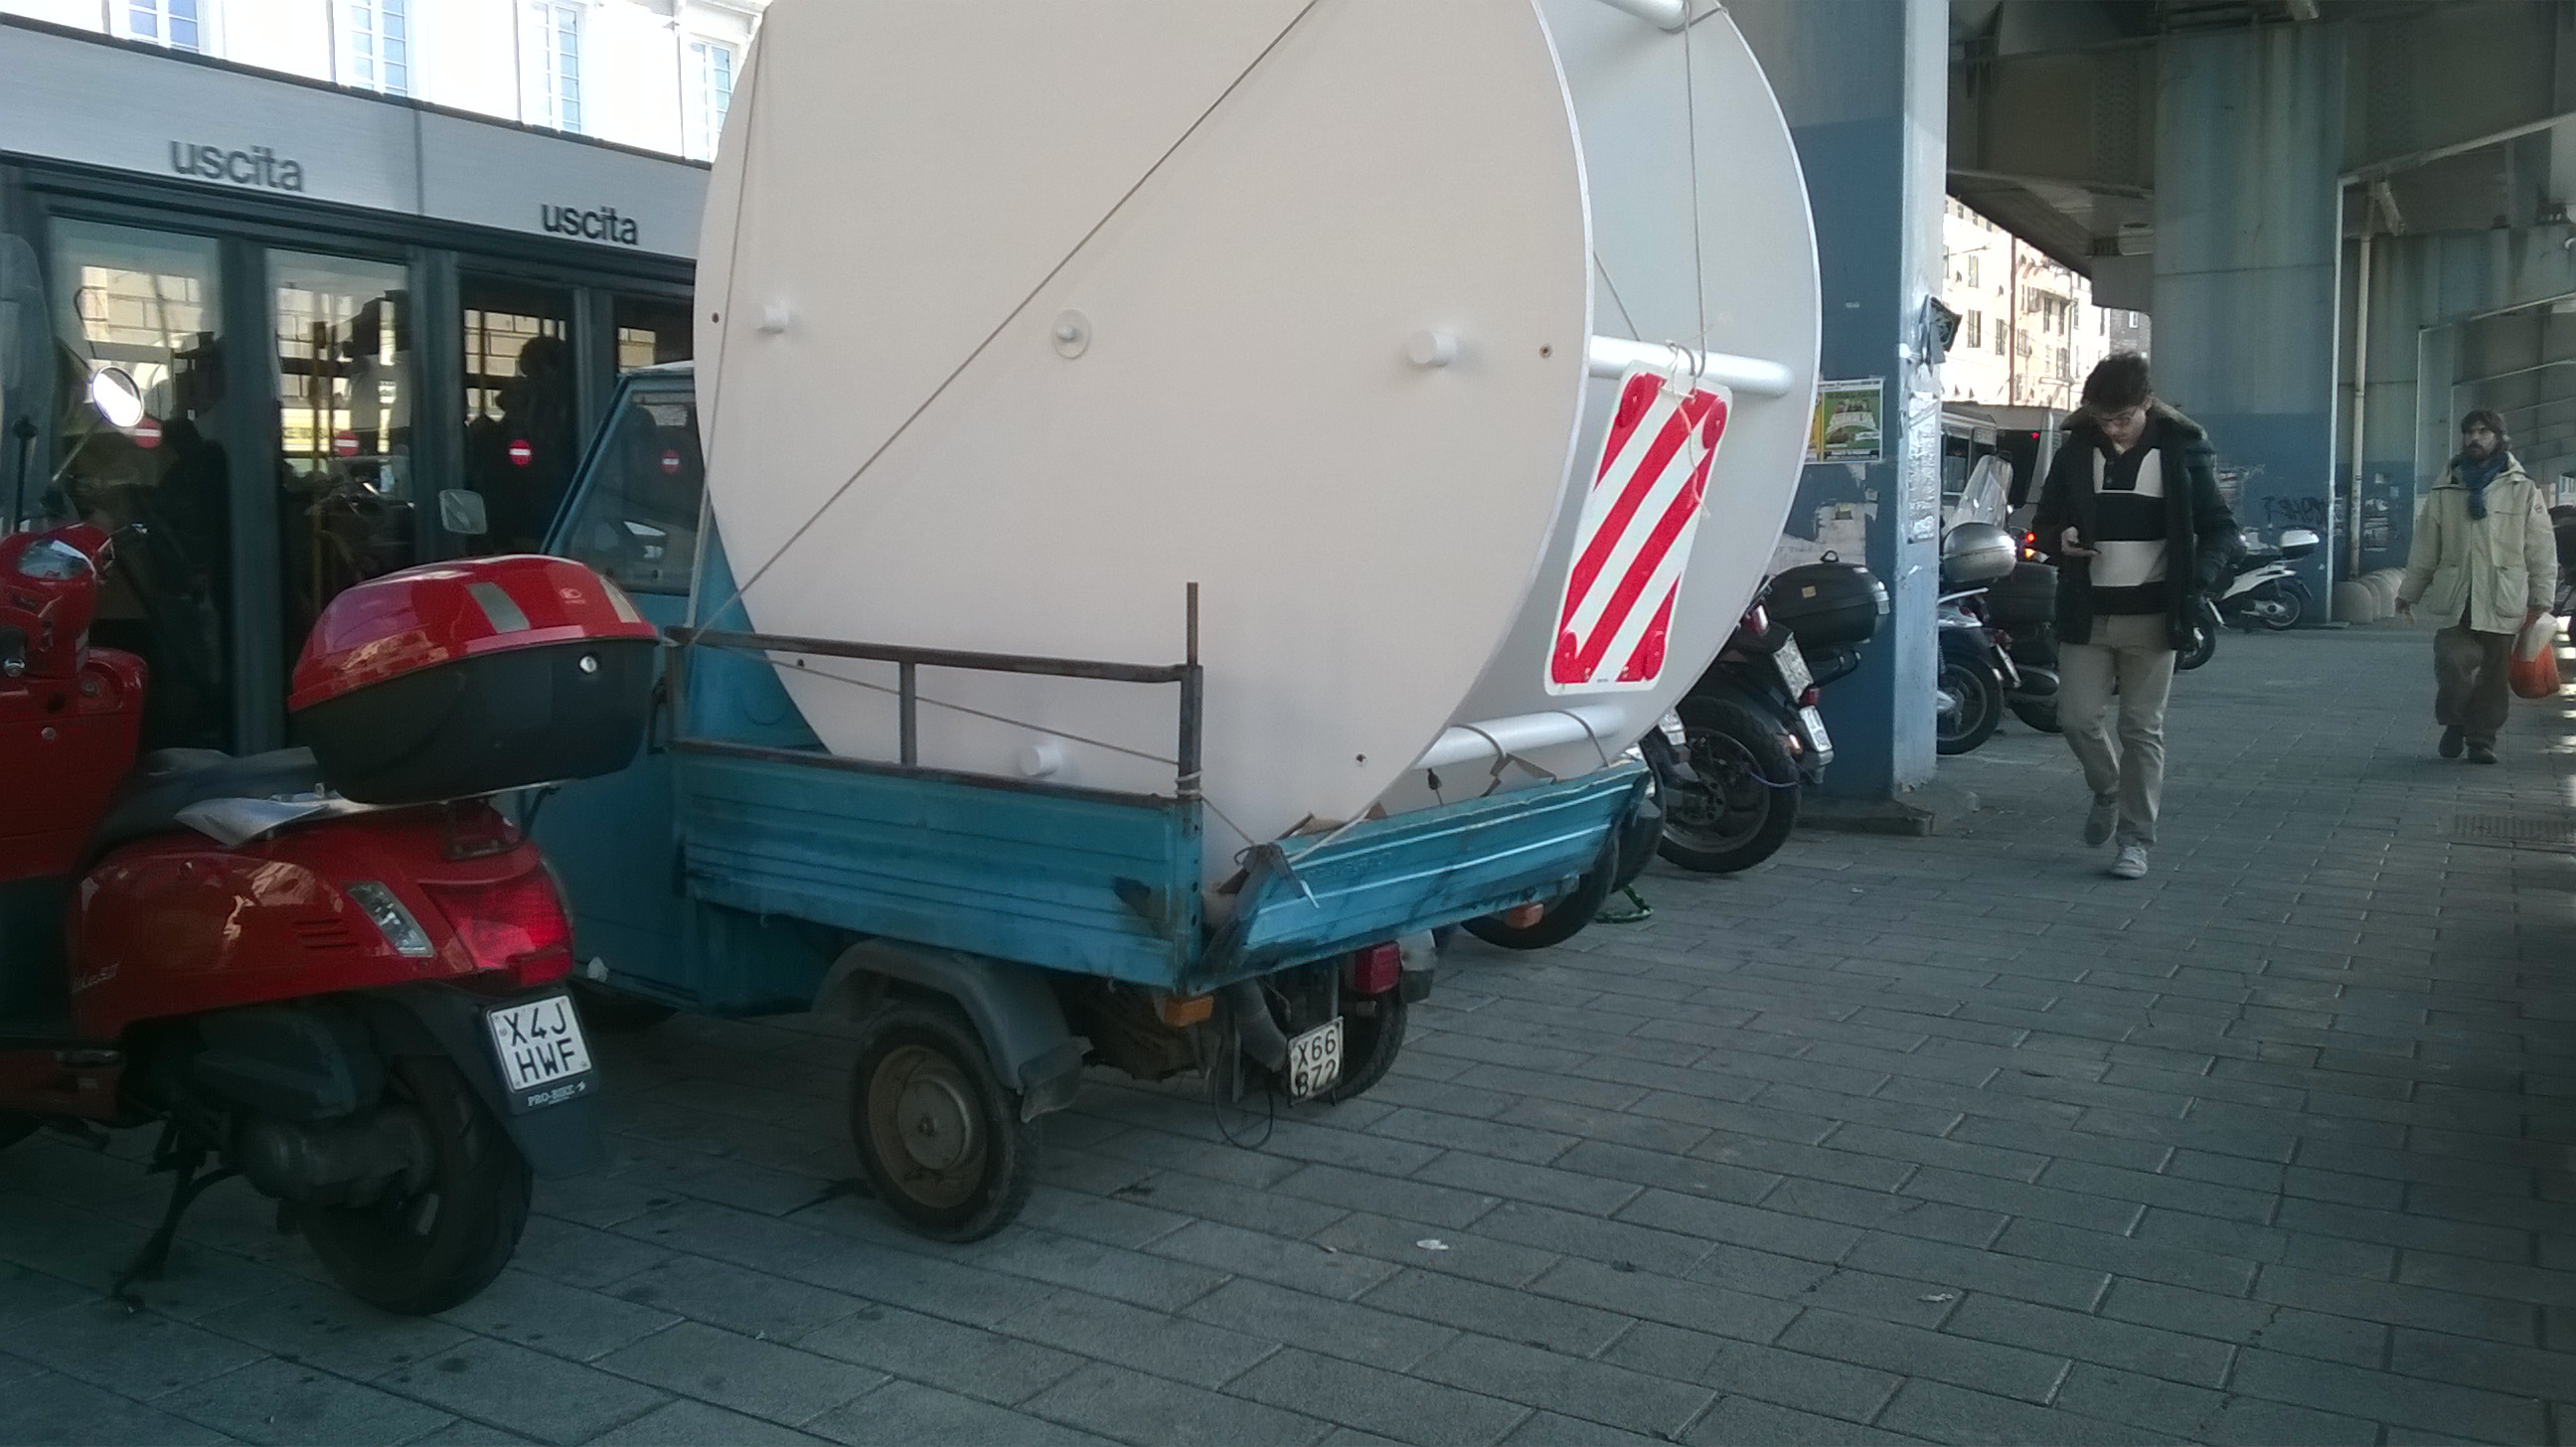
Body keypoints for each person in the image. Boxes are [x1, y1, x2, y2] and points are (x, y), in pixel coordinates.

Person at [2031, 353, 2239, 880]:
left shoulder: (2183, 451)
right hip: (2087, 612)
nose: (2112, 429)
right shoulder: (2076, 450)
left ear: (2147, 402)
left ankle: (2135, 840)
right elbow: (2045, 520)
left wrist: (2196, 580)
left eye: (2122, 418)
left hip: (2155, 615)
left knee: (2142, 729)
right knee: (2076, 719)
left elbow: (2221, 529)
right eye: (2102, 419)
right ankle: (2107, 789)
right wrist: (2059, 538)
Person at [2395, 409, 2555, 765]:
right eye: (2469, 432)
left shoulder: (2521, 488)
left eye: (2483, 432)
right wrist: (2409, 592)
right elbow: (2426, 547)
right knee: (2451, 662)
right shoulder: (2446, 488)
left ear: (2499, 438)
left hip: (2503, 596)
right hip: (2456, 597)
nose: (2475, 438)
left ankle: (2481, 740)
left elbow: (2541, 548)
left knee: (2494, 677)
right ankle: (2455, 722)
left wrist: (2542, 599)